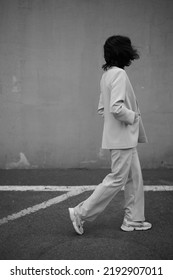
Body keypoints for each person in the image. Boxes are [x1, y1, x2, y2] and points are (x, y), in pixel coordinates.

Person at [68, 35, 152, 234]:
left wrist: (117, 123)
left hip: (121, 138)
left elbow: (102, 109)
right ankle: (81, 212)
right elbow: (115, 108)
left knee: (134, 179)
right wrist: (134, 116)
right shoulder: (120, 75)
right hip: (123, 138)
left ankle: (133, 220)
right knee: (117, 179)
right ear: (124, 53)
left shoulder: (107, 75)